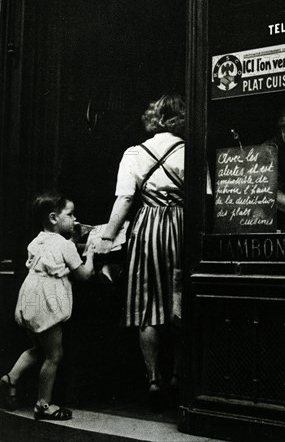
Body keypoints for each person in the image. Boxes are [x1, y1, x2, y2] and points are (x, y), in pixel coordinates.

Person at [94, 93, 186, 411]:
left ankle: (152, 378)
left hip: (148, 228)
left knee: (148, 305)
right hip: (181, 227)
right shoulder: (191, 150)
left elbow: (124, 200)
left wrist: (106, 237)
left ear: (154, 118)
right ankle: (177, 375)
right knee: (180, 302)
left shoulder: (134, 153)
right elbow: (204, 197)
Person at [0, 192, 95, 420]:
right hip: (47, 302)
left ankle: (11, 378)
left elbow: (55, 254)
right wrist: (90, 254)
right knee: (54, 354)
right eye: (70, 214)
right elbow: (83, 275)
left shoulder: (38, 240)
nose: (75, 219)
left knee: (37, 348)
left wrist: (72, 240)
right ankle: (43, 404)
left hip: (30, 297)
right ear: (54, 218)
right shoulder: (65, 246)